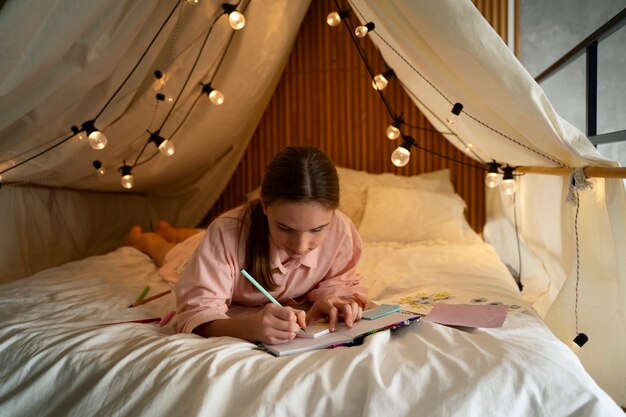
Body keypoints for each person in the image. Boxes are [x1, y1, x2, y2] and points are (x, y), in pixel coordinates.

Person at [127, 146, 367, 346]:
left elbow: (340, 284)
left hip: (218, 242)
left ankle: (170, 229)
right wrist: (250, 327)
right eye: (285, 228)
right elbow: (195, 315)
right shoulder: (225, 234)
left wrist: (334, 302)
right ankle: (142, 237)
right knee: (167, 252)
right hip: (210, 248)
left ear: (333, 213)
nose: (301, 247)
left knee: (195, 236)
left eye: (317, 230)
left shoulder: (341, 230)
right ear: (264, 206)